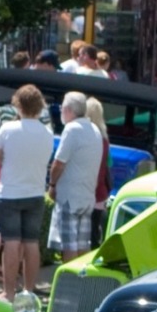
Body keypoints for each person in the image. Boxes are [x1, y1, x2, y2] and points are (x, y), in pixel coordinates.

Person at [0, 83, 53, 298]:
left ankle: (8, 293)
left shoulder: (8, 129)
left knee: (12, 243)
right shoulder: (47, 133)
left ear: (18, 105)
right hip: (35, 192)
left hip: (10, 193)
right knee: (31, 243)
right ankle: (29, 289)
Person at [48, 90, 107, 262]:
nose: (60, 112)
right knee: (83, 244)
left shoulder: (72, 129)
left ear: (68, 110)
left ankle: (69, 283)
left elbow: (59, 162)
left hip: (70, 197)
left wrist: (52, 185)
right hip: (87, 196)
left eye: (62, 108)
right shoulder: (95, 129)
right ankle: (82, 282)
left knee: (69, 245)